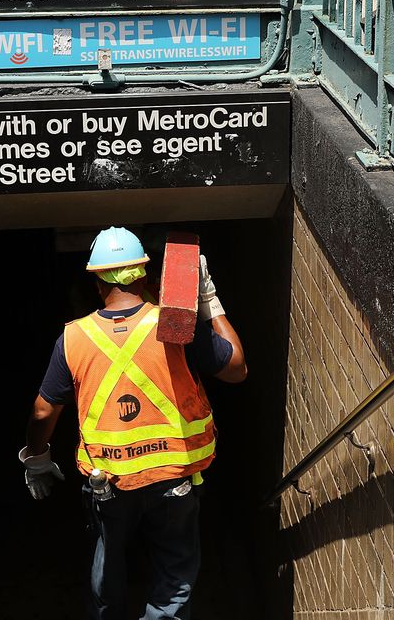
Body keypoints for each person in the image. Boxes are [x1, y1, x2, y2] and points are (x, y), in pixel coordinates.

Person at [19, 226, 246, 620]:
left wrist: (37, 458)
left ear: (96, 281)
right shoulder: (178, 326)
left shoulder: (74, 338)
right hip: (172, 478)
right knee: (174, 577)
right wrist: (209, 299)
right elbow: (236, 369)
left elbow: (42, 411)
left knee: (107, 564)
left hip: (108, 482)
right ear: (144, 274)